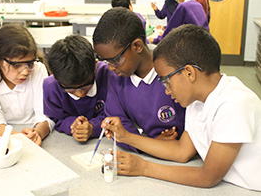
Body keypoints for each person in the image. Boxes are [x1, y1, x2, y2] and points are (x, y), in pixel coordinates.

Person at [103, 24, 261, 191]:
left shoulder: (233, 104)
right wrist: (126, 137)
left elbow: (208, 177)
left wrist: (143, 167)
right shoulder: (197, 102)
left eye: (165, 80)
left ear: (189, 73)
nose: (166, 89)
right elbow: (181, 151)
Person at [93, 7, 185, 153]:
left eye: (115, 60)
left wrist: (149, 144)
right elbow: (118, 122)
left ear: (137, 46)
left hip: (185, 154)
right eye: (106, 61)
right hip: (149, 153)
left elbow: (195, 123)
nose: (110, 68)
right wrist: (150, 144)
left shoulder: (174, 70)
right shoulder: (117, 77)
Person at [0, 23, 54, 146]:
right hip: (4, 138)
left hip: (35, 132)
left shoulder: (38, 70)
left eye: (30, 63)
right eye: (16, 65)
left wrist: (36, 134)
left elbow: (45, 114)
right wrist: (19, 138)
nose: (25, 72)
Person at [43, 35, 109, 142]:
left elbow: (115, 114)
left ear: (95, 65)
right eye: (70, 89)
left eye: (86, 86)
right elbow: (55, 119)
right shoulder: (51, 86)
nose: (79, 94)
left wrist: (93, 127)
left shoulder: (107, 76)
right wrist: (73, 126)